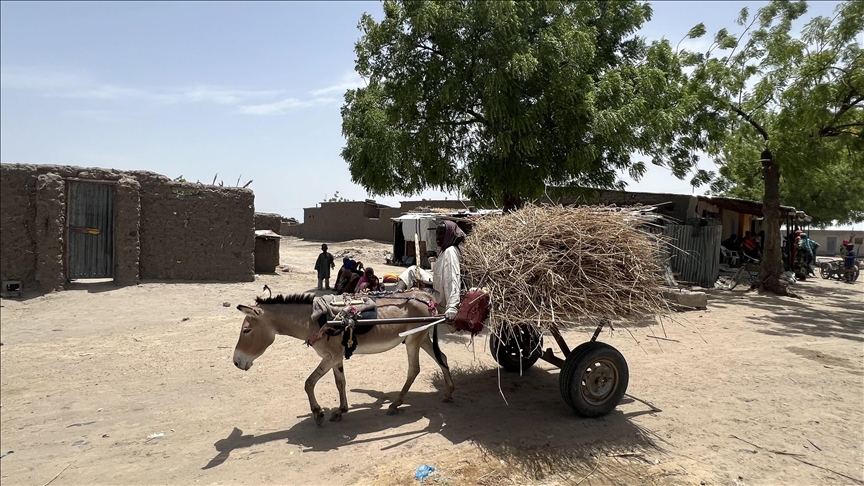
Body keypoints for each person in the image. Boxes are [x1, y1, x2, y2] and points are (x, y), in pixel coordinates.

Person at [396, 220, 464, 322]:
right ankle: (395, 295)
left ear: (449, 235)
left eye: (441, 234)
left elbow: (453, 280)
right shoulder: (444, 251)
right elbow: (441, 281)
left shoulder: (450, 252)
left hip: (443, 300)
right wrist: (426, 284)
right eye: (437, 233)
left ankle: (395, 299)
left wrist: (452, 308)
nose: (437, 237)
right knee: (413, 270)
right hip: (438, 290)